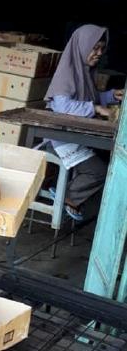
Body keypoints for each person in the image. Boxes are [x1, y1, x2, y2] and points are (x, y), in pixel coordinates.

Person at [43, 24, 122, 221]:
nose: (99, 53)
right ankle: (68, 197)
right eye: (95, 48)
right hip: (60, 139)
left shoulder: (85, 72)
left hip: (75, 136)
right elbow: (63, 106)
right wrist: (94, 109)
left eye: (102, 48)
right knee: (99, 172)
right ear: (82, 46)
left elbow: (88, 99)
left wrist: (112, 96)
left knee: (108, 160)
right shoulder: (66, 74)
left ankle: (68, 193)